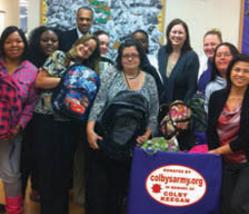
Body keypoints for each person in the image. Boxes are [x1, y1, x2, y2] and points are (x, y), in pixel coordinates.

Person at [86, 39, 159, 214]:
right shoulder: (111, 74)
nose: (130, 59)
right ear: (120, 58)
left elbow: (153, 113)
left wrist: (148, 134)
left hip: (132, 146)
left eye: (134, 55)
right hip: (105, 140)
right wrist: (89, 130)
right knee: (99, 192)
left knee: (120, 193)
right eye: (126, 55)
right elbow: (98, 103)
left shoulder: (149, 80)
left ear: (141, 57)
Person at [34, 35, 100, 214]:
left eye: (90, 49)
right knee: (47, 170)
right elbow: (40, 81)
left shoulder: (87, 70)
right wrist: (69, 82)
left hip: (69, 124)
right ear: (78, 42)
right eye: (85, 44)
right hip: (48, 120)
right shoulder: (59, 56)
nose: (86, 49)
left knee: (63, 172)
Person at [0, 26, 38, 214]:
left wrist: (20, 126)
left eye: (18, 41)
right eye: (9, 41)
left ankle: (14, 210)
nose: (14, 45)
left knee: (11, 174)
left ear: (24, 43)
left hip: (12, 133)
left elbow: (31, 104)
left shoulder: (31, 70)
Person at [20, 26, 61, 202]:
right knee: (26, 158)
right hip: (26, 119)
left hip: (48, 119)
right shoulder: (28, 61)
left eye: (53, 40)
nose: (50, 43)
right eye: (45, 40)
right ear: (37, 41)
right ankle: (18, 197)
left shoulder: (60, 60)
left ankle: (38, 188)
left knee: (44, 157)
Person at [208, 54, 249, 214]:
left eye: (246, 71)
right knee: (223, 206)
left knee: (238, 206)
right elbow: (210, 130)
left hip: (246, 161)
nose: (240, 74)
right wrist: (214, 157)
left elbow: (246, 139)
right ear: (230, 71)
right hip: (223, 162)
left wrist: (217, 152)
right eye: (237, 69)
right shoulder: (217, 97)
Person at [158, 18, 199, 105]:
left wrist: (182, 109)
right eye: (174, 32)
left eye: (180, 33)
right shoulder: (162, 52)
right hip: (162, 105)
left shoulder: (192, 57)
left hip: (180, 108)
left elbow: (191, 88)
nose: (176, 35)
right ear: (168, 33)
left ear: (186, 36)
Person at [204, 42, 239, 112]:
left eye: (226, 55)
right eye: (218, 55)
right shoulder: (211, 87)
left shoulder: (243, 82)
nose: (222, 58)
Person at [131, 29, 164, 102]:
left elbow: (160, 93)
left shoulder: (153, 65)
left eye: (143, 41)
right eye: (136, 41)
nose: (139, 44)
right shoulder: (122, 63)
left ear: (147, 44)